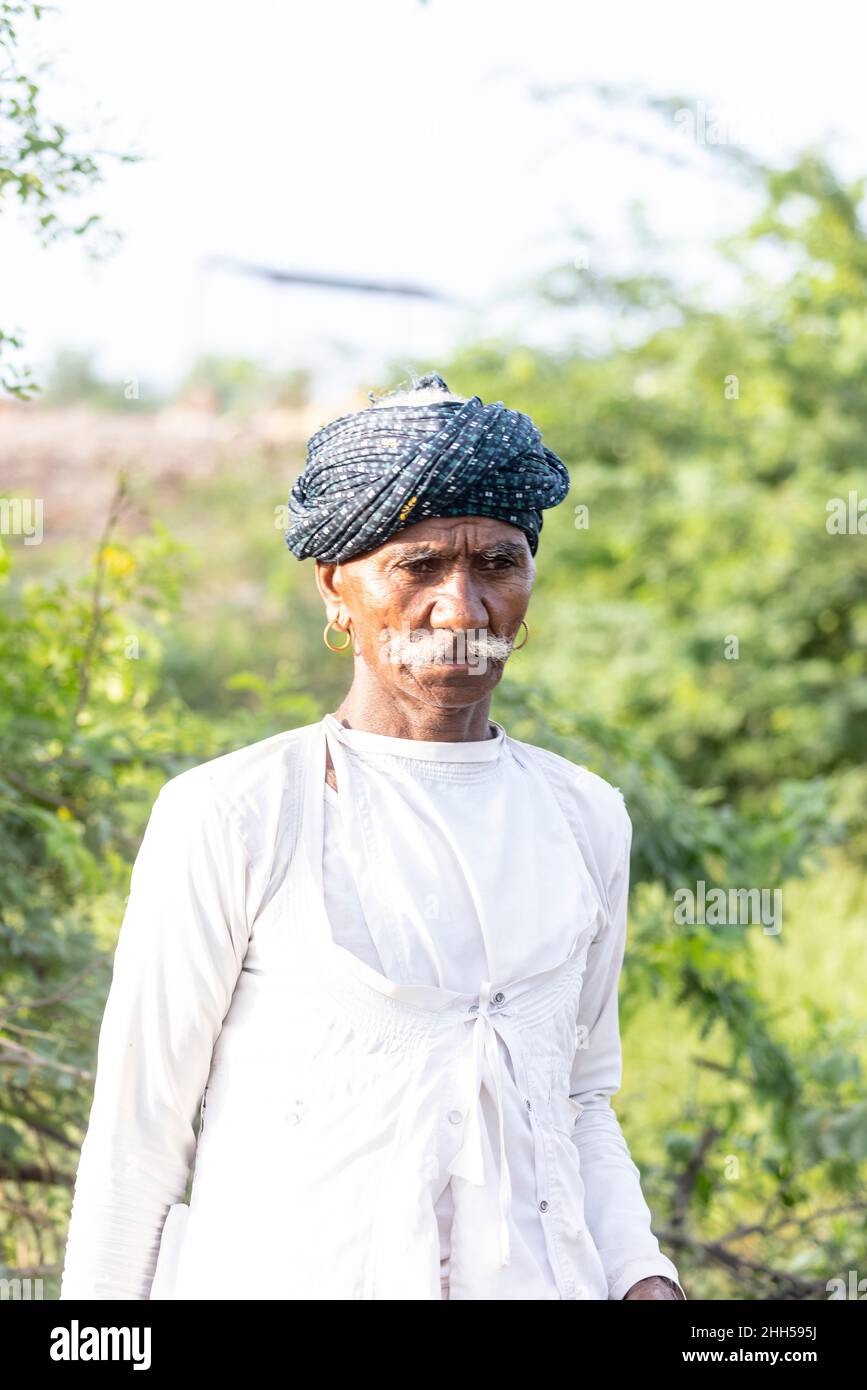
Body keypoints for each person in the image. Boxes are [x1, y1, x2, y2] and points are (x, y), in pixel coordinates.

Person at [59, 370, 685, 1301]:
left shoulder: (582, 815)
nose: (462, 609)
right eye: (418, 566)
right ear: (334, 588)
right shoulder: (236, 812)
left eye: (498, 564)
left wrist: (643, 1277)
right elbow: (139, 1136)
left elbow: (579, 1099)